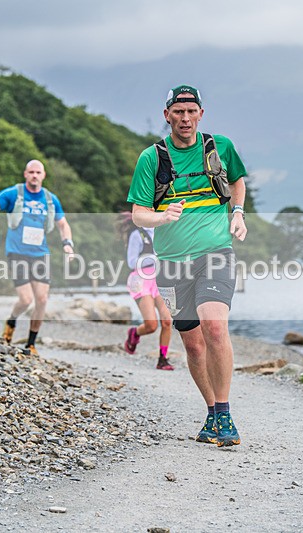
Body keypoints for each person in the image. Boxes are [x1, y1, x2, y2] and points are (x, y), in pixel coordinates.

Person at [127, 84, 248, 447]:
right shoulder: (152, 158)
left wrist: (238, 213)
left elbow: (238, 181)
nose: (185, 118)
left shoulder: (220, 147)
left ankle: (225, 416)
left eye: (191, 111)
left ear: (200, 114)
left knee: (214, 327)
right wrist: (161, 218)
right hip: (171, 264)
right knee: (193, 346)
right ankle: (212, 412)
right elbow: (138, 214)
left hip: (216, 253)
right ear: (167, 116)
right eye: (177, 112)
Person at [0, 159, 74, 356]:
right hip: (17, 253)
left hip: (40, 254)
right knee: (26, 299)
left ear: (44, 175)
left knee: (42, 299)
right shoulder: (14, 194)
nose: (35, 176)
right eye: (31, 172)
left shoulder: (51, 199)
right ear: (25, 174)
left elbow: (63, 224)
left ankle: (30, 344)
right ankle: (12, 320)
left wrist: (68, 245)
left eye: (38, 172)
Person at [116, 212, 174, 370]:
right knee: (151, 325)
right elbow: (131, 262)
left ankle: (163, 359)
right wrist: (154, 259)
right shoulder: (137, 235)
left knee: (167, 321)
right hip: (140, 280)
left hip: (160, 279)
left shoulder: (163, 232)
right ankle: (134, 333)